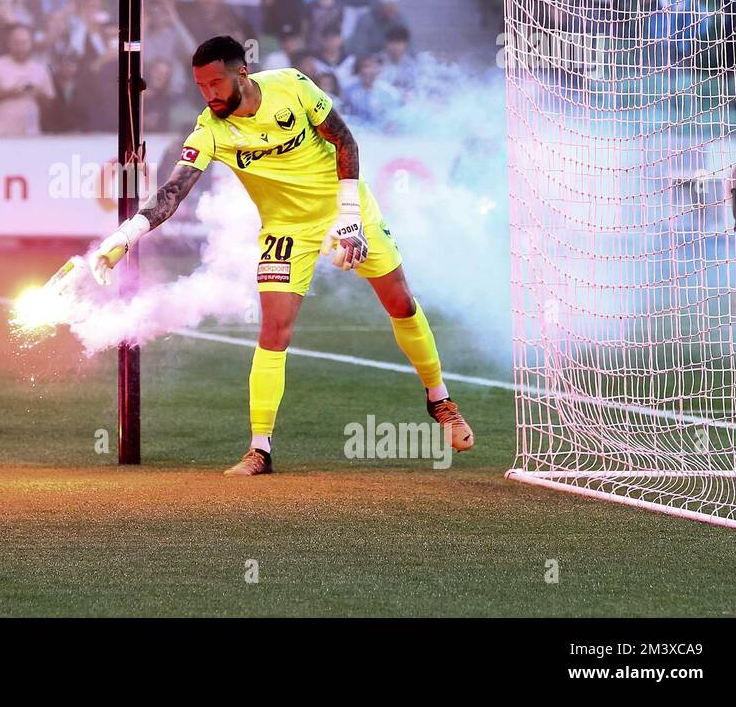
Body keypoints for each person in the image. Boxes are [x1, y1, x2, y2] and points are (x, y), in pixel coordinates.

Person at [90, 36, 472, 474]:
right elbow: (173, 191)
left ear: (242, 74)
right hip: (286, 231)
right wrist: (126, 234)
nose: (209, 94)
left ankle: (439, 399)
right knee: (274, 330)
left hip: (347, 209)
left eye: (216, 83)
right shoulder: (210, 129)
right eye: (201, 86)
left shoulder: (292, 85)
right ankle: (259, 449)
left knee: (400, 302)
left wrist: (349, 219)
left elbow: (346, 141)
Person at [0, 23, 56, 135]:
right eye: (16, 43)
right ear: (9, 44)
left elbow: (50, 102)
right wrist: (8, 93)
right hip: (1, 134)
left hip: (30, 135)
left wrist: (37, 93)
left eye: (24, 43)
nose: (20, 47)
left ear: (31, 44)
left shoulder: (40, 68)